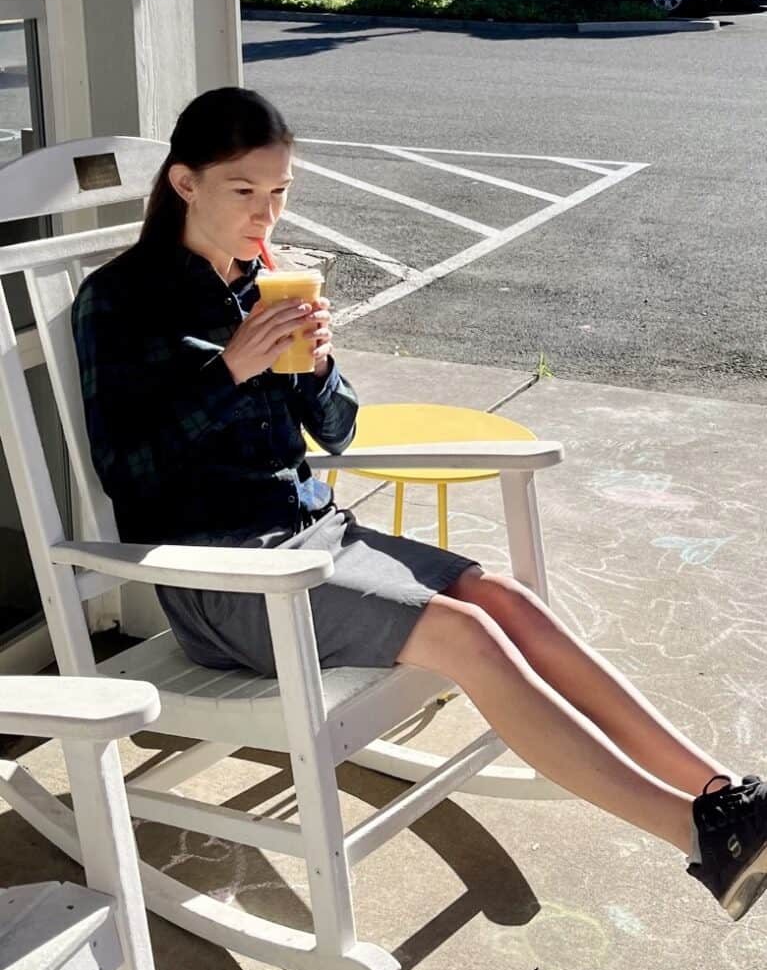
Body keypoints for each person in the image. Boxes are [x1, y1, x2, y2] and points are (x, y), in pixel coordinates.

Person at [72, 86, 767, 923]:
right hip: (227, 580)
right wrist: (227, 374)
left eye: (280, 190)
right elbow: (125, 470)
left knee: (504, 599)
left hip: (315, 535)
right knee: (467, 636)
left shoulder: (261, 281)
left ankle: (724, 796)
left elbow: (339, 429)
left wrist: (315, 362)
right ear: (185, 184)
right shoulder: (121, 301)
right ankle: (697, 840)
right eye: (244, 191)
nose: (266, 211)